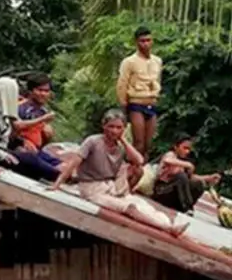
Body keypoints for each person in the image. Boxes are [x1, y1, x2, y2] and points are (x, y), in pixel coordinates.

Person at [51, 109, 190, 235]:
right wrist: (57, 184)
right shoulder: (92, 141)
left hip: (112, 187)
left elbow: (139, 160)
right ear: (104, 126)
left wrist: (123, 140)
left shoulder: (120, 147)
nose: (114, 131)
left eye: (119, 127)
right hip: (92, 189)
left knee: (145, 206)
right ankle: (167, 228)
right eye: (111, 126)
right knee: (130, 207)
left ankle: (169, 224)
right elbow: (73, 163)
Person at [117, 26, 163, 159]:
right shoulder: (129, 62)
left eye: (148, 40)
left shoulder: (157, 61)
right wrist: (123, 104)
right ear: (136, 42)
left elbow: (158, 80)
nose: (146, 44)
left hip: (152, 102)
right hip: (136, 103)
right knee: (139, 143)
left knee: (148, 144)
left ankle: (143, 169)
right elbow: (122, 83)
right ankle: (131, 169)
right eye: (142, 41)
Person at [152, 136, 222, 214]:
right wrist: (187, 164)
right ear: (176, 147)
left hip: (174, 195)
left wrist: (209, 177)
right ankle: (187, 206)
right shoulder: (171, 154)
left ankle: (182, 206)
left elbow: (191, 178)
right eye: (184, 148)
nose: (187, 151)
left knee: (198, 183)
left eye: (188, 149)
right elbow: (167, 160)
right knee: (181, 177)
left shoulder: (185, 160)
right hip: (162, 191)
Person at [12, 74, 63, 181]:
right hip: (20, 150)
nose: (44, 94)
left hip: (37, 151)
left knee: (65, 167)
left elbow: (40, 136)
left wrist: (47, 134)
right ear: (30, 91)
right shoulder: (21, 107)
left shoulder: (42, 111)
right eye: (40, 90)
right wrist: (22, 141)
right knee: (56, 173)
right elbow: (13, 128)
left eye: (46, 91)